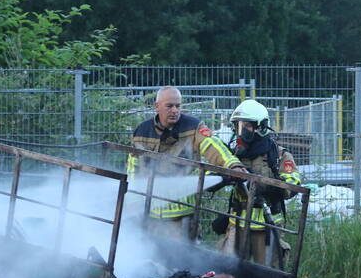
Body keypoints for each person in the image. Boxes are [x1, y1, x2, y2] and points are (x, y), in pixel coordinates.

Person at [128, 86, 244, 238]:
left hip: (183, 215)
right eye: (169, 106)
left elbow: (212, 145)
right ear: (157, 106)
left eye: (178, 106)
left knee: (180, 259)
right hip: (152, 214)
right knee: (152, 257)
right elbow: (133, 169)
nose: (175, 110)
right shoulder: (141, 132)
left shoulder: (193, 127)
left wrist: (233, 165)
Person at [218, 99, 301, 266]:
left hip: (267, 229)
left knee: (265, 276)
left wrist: (264, 185)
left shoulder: (278, 156)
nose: (241, 131)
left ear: (261, 127)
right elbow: (209, 174)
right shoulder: (233, 155)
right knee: (228, 272)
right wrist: (223, 177)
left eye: (247, 126)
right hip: (237, 226)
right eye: (239, 126)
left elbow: (293, 184)